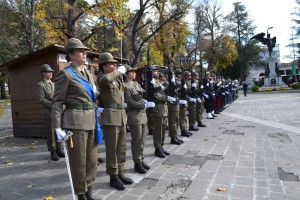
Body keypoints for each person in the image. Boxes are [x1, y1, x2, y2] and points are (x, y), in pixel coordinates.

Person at [52, 38, 101, 200]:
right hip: (75, 122)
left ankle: (89, 190)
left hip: (91, 119)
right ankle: (80, 193)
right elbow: (57, 102)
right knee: (79, 161)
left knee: (92, 159)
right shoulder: (65, 74)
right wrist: (57, 127)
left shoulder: (88, 73)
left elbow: (92, 95)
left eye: (84, 51)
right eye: (80, 51)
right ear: (71, 55)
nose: (84, 53)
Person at [96, 53, 133, 190]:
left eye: (115, 64)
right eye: (111, 64)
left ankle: (120, 171)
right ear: (104, 66)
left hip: (121, 116)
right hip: (111, 117)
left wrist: (120, 72)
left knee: (121, 147)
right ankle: (113, 176)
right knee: (112, 149)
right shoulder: (101, 78)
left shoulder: (117, 80)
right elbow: (104, 80)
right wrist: (119, 71)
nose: (115, 65)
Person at [124, 65, 154, 174]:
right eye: (131, 72)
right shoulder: (125, 86)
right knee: (136, 140)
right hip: (134, 116)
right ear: (126, 74)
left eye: (134, 72)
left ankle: (141, 159)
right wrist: (143, 105)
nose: (134, 74)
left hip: (142, 115)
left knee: (142, 140)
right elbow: (130, 102)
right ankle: (137, 162)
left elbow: (143, 94)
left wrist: (149, 82)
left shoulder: (136, 84)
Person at [36, 64, 64, 161]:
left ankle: (59, 149)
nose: (51, 73)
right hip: (49, 112)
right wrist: (54, 106)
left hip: (57, 112)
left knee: (58, 131)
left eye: (51, 72)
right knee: (51, 133)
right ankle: (52, 151)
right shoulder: (41, 85)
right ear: (43, 73)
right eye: (48, 72)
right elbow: (42, 99)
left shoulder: (54, 84)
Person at [149, 66, 174, 158]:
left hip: (163, 108)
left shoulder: (158, 81)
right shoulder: (150, 82)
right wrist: (166, 98)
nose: (157, 72)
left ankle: (161, 146)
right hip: (157, 108)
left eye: (157, 71)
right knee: (158, 130)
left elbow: (164, 91)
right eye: (155, 71)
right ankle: (157, 148)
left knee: (163, 129)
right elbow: (155, 95)